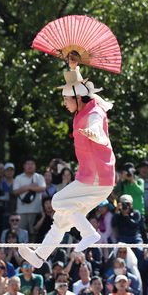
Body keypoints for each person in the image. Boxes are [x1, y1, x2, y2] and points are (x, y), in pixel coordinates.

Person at [19, 68, 115, 266]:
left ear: (78, 97)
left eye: (66, 99)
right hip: (92, 177)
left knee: (58, 201)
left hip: (98, 177)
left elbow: (98, 128)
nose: (64, 103)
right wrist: (73, 68)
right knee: (62, 219)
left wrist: (95, 134)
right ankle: (39, 257)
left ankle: (88, 233)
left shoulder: (94, 112)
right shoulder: (82, 111)